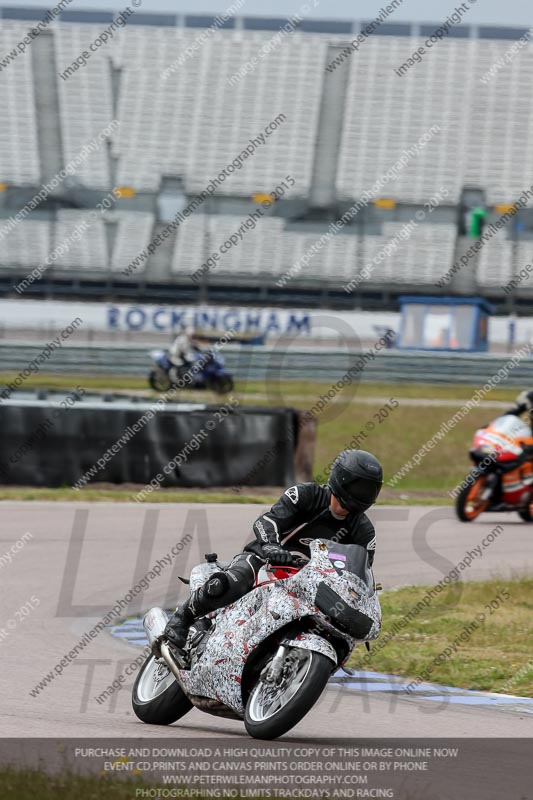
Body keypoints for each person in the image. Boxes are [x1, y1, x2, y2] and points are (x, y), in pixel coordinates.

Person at [163, 449, 383, 652]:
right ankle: (182, 619)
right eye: (357, 486)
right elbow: (267, 521)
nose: (358, 495)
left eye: (367, 490)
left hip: (311, 581)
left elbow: (360, 571)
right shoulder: (306, 495)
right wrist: (271, 547)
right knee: (230, 583)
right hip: (266, 560)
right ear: (340, 478)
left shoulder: (364, 532)